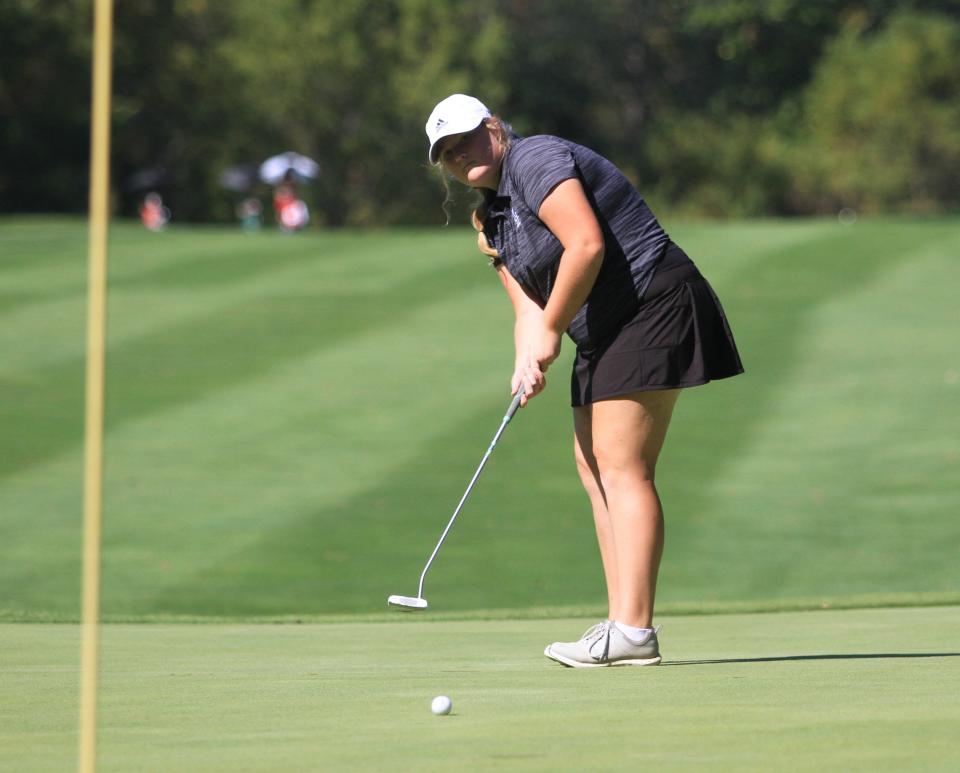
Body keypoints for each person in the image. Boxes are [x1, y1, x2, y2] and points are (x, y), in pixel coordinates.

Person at [425, 94, 744, 668]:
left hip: (653, 299)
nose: (460, 155)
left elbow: (587, 243)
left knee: (623, 465)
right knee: (594, 465)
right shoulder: (489, 219)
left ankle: (634, 630)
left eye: (468, 139)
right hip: (604, 329)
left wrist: (551, 329)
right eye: (447, 153)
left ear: (494, 127)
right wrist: (528, 356)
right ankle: (622, 623)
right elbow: (526, 309)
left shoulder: (535, 158)